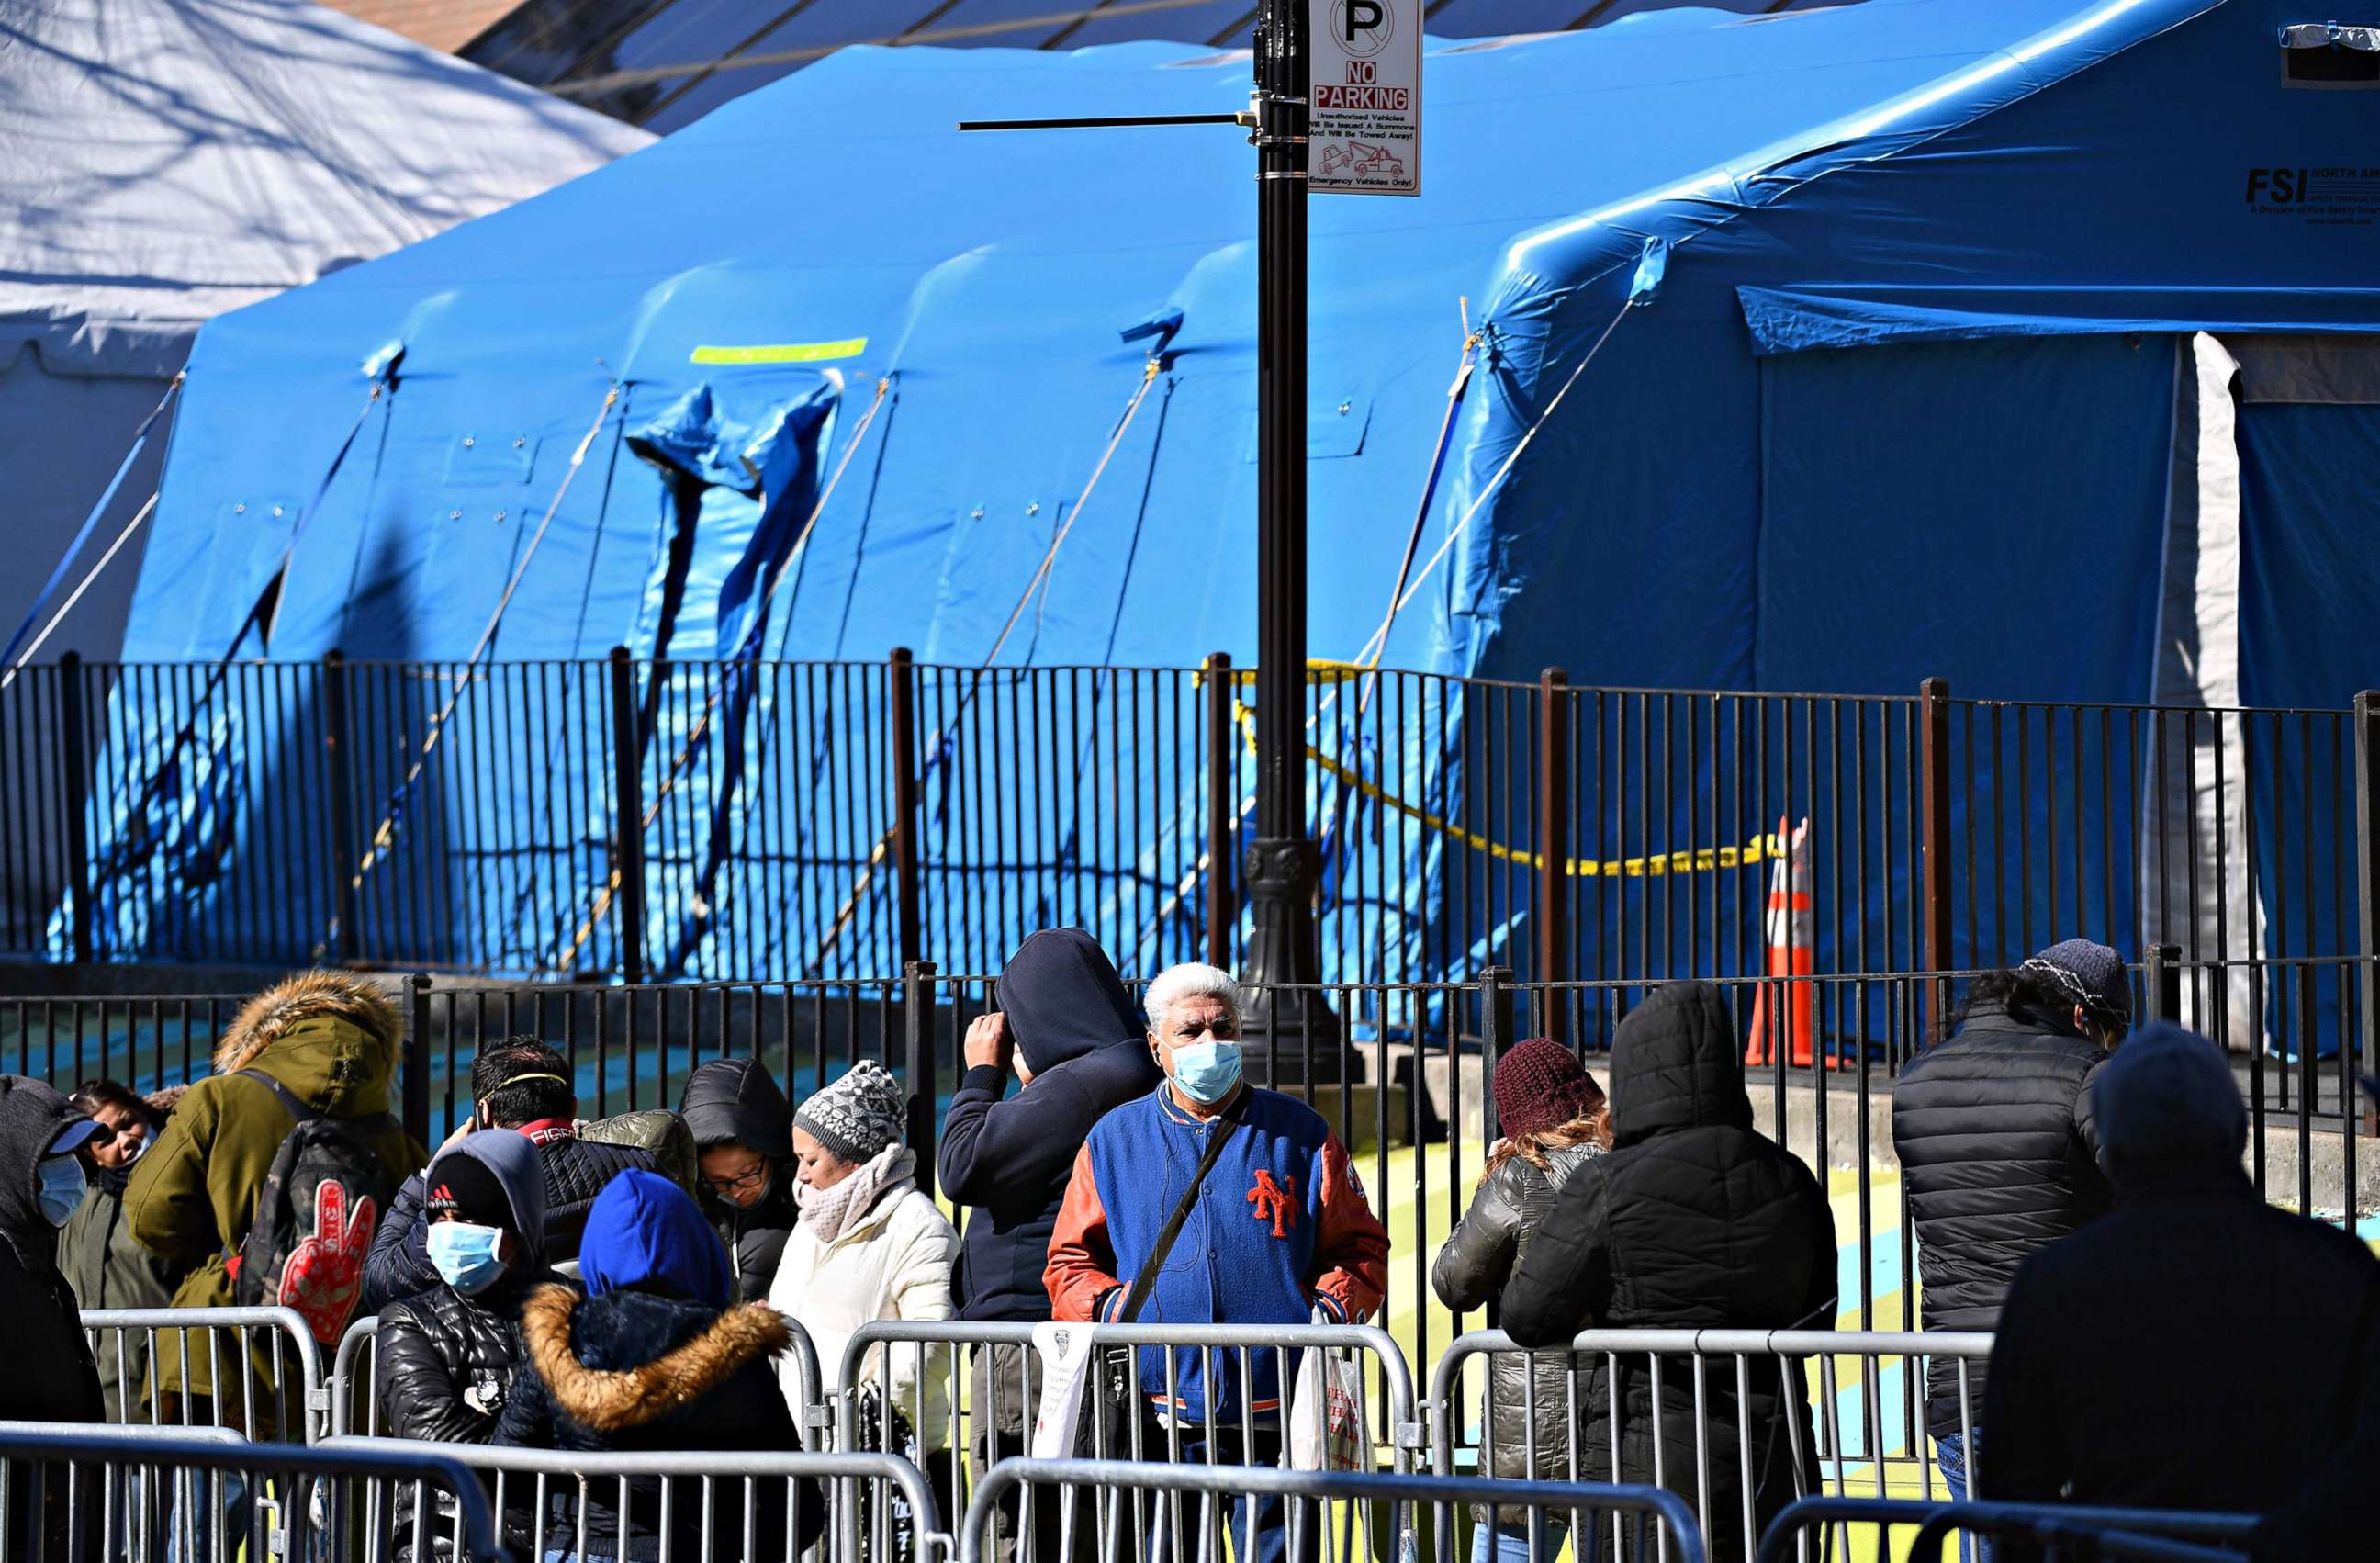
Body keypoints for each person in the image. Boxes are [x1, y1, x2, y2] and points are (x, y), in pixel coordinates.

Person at [1045, 961, 1390, 1563]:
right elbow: (1069, 1263)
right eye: (1191, 1032)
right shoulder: (1112, 1140)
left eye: (1222, 1027)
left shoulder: (1303, 1134)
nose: (1211, 1044)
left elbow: (1361, 1248)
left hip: (1277, 1415)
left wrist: (1326, 1309)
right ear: (1157, 1047)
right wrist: (1113, 1307)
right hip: (1159, 1421)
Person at [1981, 1026, 2380, 1537]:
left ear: (2114, 1144)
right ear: (2234, 1132)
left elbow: (2013, 1492)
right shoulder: (2335, 1265)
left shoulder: (2055, 1285)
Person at [1501, 983, 1836, 1563]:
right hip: (1772, 1459)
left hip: (1645, 1465)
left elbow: (1527, 1315)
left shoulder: (1606, 1186)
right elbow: (1819, 1314)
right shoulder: (1790, 1176)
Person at [1892, 937, 2130, 1540]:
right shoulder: (2086, 1075)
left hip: (1962, 1385)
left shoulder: (1918, 1081)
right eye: (2113, 1030)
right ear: (2082, 1016)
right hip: (2070, 1383)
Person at [938, 928, 1162, 1563]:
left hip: (1033, 1346)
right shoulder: (1124, 1071)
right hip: (1069, 1335)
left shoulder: (1090, 1080)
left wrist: (983, 1071)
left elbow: (961, 1165)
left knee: (1020, 1525)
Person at [126, 970, 427, 1438]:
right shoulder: (396, 1140)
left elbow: (151, 1216)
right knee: (328, 1508)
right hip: (345, 1366)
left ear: (269, 1033)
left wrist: (229, 1253)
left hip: (222, 1346)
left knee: (212, 1506)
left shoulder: (222, 1098)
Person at [495, 1168, 824, 1563]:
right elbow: (797, 1507)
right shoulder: (737, 1350)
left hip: (578, 1549)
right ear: (698, 1247)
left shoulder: (562, 1338)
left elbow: (504, 1472)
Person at [1431, 1039, 1611, 1563]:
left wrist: (1490, 1178)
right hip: (1624, 1416)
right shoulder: (1628, 1163)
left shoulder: (1521, 1175)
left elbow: (1454, 1282)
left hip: (1529, 1427)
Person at [769, 1060, 960, 1528]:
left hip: (878, 1458)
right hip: (805, 1449)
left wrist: (859, 1420)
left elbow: (928, 1343)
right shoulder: (810, 1224)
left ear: (853, 1156)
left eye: (810, 1160)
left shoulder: (919, 1226)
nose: (802, 1176)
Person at [364, 1038, 657, 1311]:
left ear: (484, 1114)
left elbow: (382, 1285)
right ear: (572, 1107)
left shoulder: (465, 1191)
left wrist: (434, 1174)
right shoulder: (644, 1173)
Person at [377, 1130, 561, 1443]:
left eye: (467, 1219)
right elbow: (441, 1446)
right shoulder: (412, 1322)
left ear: (519, 1224)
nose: (449, 1233)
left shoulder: (579, 1308)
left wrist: (488, 1399)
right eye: (437, 1218)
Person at [0, 1075, 105, 1554]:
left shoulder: (35, 1259)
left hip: (53, 1510)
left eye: (72, 1158)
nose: (70, 1173)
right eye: (51, 1159)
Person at [59, 1080, 184, 1424]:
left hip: (158, 1392)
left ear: (143, 1111)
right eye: (105, 1137)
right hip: (92, 1397)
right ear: (90, 1152)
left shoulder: (184, 1186)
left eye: (129, 1122)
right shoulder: (74, 1202)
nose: (125, 1140)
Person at [679, 1056, 799, 1303]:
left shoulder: (805, 1199)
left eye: (746, 1174)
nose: (735, 1191)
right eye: (719, 1180)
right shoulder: (692, 1202)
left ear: (772, 1152)